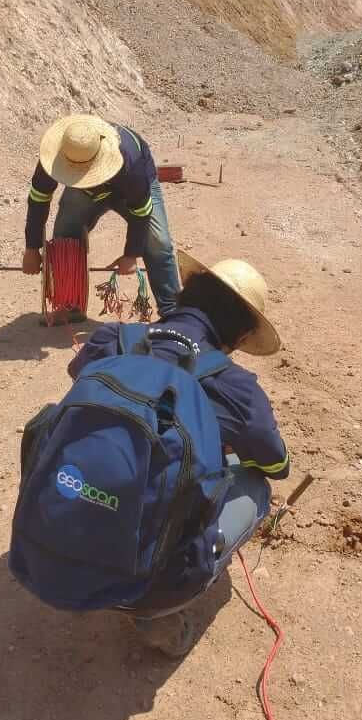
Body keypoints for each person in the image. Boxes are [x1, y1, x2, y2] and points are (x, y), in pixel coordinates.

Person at [67, 250, 289, 656]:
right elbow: (277, 464)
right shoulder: (236, 388)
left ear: (187, 293)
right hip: (142, 580)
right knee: (255, 484)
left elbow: (77, 372)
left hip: (62, 541)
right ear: (240, 336)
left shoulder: (111, 338)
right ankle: (154, 610)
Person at [22, 113, 180, 315]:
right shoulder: (53, 156)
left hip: (131, 188)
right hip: (85, 192)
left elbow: (141, 212)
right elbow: (38, 199)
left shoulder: (130, 163)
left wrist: (132, 254)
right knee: (65, 238)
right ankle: (70, 306)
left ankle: (173, 311)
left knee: (158, 243)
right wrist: (32, 248)